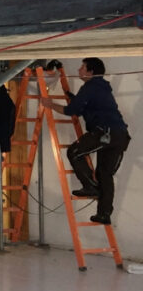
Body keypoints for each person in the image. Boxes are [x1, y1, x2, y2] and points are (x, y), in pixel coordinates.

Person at [39, 58, 131, 225]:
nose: (79, 70)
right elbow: (89, 108)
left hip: (105, 133)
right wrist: (75, 98)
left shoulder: (90, 87)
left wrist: (50, 104)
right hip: (120, 136)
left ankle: (90, 187)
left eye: (82, 67)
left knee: (74, 152)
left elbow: (71, 111)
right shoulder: (102, 87)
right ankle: (104, 214)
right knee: (104, 174)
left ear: (90, 72)